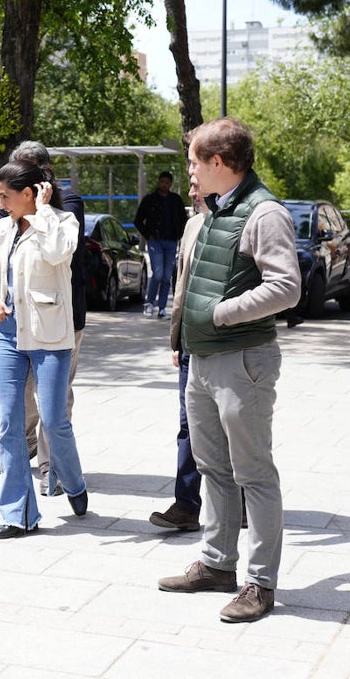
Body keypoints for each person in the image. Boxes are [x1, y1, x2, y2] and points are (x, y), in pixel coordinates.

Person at [157, 117, 300, 624]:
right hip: (202, 361)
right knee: (213, 467)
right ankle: (217, 563)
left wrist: (221, 313)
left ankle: (260, 583)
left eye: (194, 161)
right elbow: (190, 280)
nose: (189, 170)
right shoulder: (212, 212)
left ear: (219, 162)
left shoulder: (265, 213)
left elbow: (287, 286)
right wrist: (183, 338)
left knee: (254, 474)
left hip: (243, 363)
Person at [0, 160, 88, 538]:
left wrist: (42, 213)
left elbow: (58, 253)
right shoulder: (2, 230)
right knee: (10, 424)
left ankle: (73, 482)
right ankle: (18, 513)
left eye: (6, 196)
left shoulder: (62, 221)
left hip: (49, 334)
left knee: (54, 421)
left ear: (29, 193)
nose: (0, 204)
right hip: (6, 332)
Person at [149, 179, 205, 533]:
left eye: (196, 180)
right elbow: (181, 285)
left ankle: (243, 503)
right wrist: (176, 338)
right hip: (189, 343)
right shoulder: (192, 224)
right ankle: (186, 505)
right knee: (188, 426)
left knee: (230, 429)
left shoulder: (248, 218)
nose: (191, 190)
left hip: (226, 346)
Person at [134, 170, 188, 319]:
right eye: (162, 181)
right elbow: (138, 220)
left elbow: (183, 219)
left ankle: (162, 308)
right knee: (157, 273)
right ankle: (150, 303)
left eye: (167, 182)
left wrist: (180, 234)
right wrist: (148, 234)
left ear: (170, 184)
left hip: (171, 241)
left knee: (167, 276)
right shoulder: (150, 199)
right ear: (159, 182)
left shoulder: (175, 200)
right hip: (155, 241)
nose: (164, 185)